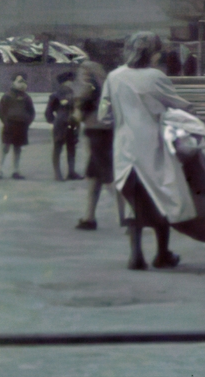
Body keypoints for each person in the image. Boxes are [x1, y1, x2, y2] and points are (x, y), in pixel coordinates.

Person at [101, 31, 195, 270]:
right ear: (152, 52)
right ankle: (162, 254)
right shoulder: (156, 77)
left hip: (125, 148)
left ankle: (136, 255)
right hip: (154, 147)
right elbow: (178, 105)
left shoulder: (113, 77)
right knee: (161, 196)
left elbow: (104, 115)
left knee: (133, 200)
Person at [73, 54, 114, 230]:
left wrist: (77, 109)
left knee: (106, 175)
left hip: (95, 126)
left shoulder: (87, 67)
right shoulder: (108, 73)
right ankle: (89, 217)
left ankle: (134, 214)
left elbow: (85, 90)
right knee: (95, 174)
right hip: (107, 126)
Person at [0, 75, 36, 179]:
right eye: (19, 81)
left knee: (18, 148)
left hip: (21, 126)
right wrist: (6, 121)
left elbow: (31, 112)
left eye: (23, 81)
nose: (22, 83)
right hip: (9, 125)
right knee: (5, 147)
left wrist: (27, 122)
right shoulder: (7, 96)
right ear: (13, 83)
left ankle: (15, 171)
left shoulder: (27, 98)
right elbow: (0, 111)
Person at [47, 71, 82, 180]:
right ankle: (58, 174)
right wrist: (56, 121)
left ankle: (71, 172)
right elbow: (48, 112)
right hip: (62, 124)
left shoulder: (75, 95)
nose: (72, 83)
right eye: (70, 81)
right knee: (58, 147)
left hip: (71, 124)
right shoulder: (56, 95)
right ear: (64, 82)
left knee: (71, 147)